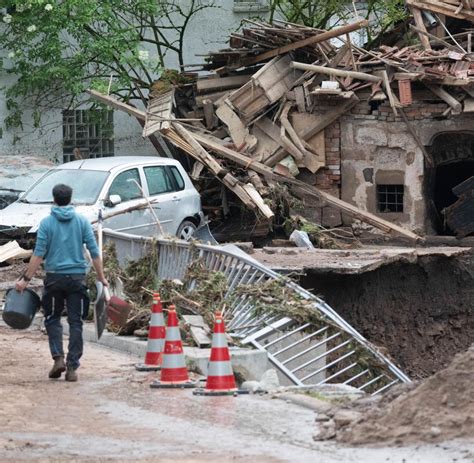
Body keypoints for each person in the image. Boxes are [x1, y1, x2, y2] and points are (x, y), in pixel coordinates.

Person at [16, 184, 108, 382]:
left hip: (54, 279)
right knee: (76, 322)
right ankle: (72, 367)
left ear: (54, 199)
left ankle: (58, 358)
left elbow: (38, 254)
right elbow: (94, 252)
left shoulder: (47, 223)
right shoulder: (82, 222)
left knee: (52, 318)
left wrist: (25, 279)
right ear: (70, 198)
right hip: (77, 279)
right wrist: (101, 277)